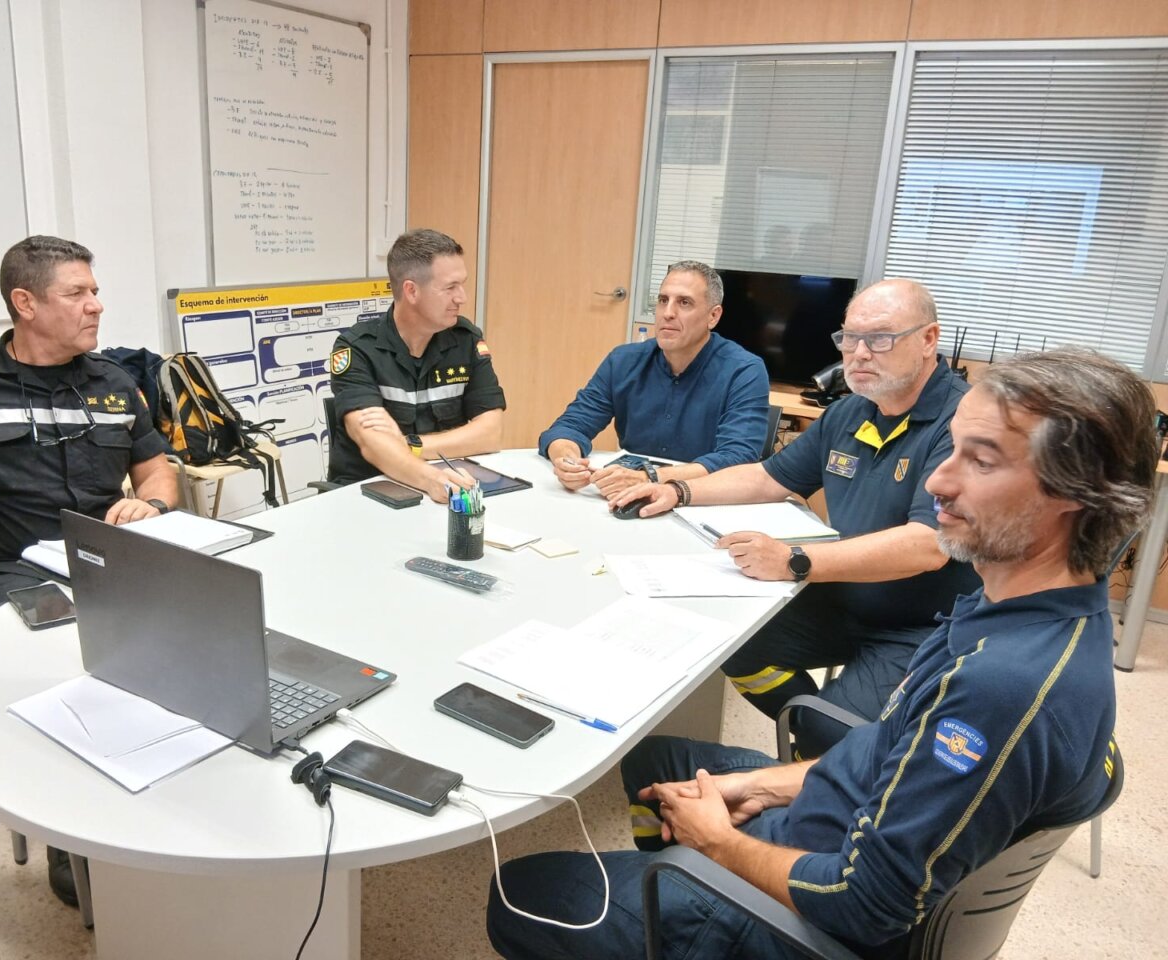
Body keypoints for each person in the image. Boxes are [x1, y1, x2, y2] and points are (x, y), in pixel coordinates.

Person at [486, 346, 1154, 959]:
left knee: (520, 891)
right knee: (660, 760)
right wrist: (758, 784)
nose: (938, 484)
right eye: (950, 452)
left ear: (1074, 495)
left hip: (812, 915)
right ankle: (678, 900)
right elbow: (893, 750)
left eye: (980, 461)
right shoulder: (1019, 604)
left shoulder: (1001, 690)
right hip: (838, 813)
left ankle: (700, 916)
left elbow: (868, 904)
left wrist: (718, 841)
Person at [0, 234, 178, 907]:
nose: (97, 306)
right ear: (26, 303)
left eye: (95, 291)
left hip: (110, 562)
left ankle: (167, 807)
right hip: (6, 577)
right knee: (73, 667)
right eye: (78, 293)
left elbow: (157, 467)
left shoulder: (114, 382)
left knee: (202, 629)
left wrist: (152, 501)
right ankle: (71, 837)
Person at [613, 278, 980, 755]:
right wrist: (677, 489)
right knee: (729, 645)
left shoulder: (963, 422)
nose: (859, 354)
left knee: (831, 731)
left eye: (880, 339)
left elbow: (926, 545)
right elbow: (769, 478)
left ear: (928, 340)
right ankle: (816, 735)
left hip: (924, 623)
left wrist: (794, 560)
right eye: (849, 338)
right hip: (846, 594)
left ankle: (831, 746)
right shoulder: (851, 411)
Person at [539, 260, 770, 500]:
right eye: (662, 300)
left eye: (684, 302)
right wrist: (567, 460)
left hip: (702, 500)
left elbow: (737, 458)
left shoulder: (744, 370)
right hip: (627, 498)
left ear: (713, 316)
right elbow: (569, 426)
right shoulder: (624, 360)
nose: (668, 313)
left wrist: (649, 477)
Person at [327, 228, 506, 500]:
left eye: (462, 285)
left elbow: (490, 433)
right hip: (370, 494)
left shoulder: (466, 341)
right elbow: (373, 444)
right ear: (411, 291)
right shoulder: (357, 348)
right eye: (450, 288)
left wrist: (410, 444)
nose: (462, 298)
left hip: (446, 487)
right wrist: (431, 478)